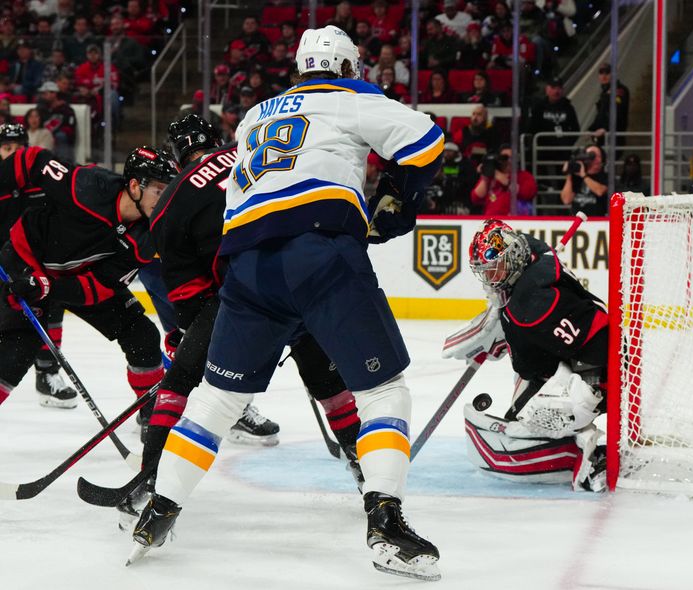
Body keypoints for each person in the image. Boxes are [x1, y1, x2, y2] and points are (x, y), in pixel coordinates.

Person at [130, 26, 443, 581]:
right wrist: (400, 197)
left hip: (247, 264)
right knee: (382, 388)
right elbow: (426, 142)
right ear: (348, 67)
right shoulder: (353, 97)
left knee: (218, 398)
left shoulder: (255, 115)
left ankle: (159, 510)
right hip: (319, 250)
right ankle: (385, 523)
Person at [0, 143, 176, 413]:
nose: (163, 200)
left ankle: (153, 414)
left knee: (142, 335)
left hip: (72, 276)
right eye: (158, 190)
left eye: (168, 192)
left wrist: (50, 288)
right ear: (134, 186)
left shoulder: (149, 236)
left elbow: (99, 287)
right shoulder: (89, 187)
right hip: (26, 260)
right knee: (16, 352)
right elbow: (30, 159)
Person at [444, 219, 607, 490]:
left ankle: (587, 457)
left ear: (512, 258)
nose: (490, 279)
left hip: (600, 369)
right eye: (486, 271)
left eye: (494, 270)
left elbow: (529, 366)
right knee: (521, 413)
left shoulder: (528, 307)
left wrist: (508, 329)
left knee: (543, 419)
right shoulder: (534, 252)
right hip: (588, 346)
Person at [0, 123, 77, 406]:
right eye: (6, 148)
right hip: (2, 264)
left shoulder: (40, 180)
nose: (12, 154)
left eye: (18, 148)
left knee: (50, 308)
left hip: (33, 264)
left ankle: (47, 374)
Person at [526, 76, 580, 180]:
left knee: (563, 177)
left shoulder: (568, 107)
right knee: (541, 176)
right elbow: (532, 128)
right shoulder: (539, 107)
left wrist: (567, 143)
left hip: (562, 149)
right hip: (542, 148)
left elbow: (575, 128)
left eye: (559, 88)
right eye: (553, 87)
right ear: (547, 89)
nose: (556, 91)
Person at [471, 143, 537, 215]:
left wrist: (505, 181)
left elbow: (528, 193)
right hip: (491, 222)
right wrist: (485, 177)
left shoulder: (524, 176)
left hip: (515, 221)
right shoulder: (491, 176)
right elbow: (476, 198)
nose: (509, 160)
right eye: (505, 157)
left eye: (512, 158)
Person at [560, 144, 608, 215]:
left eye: (598, 156)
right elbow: (566, 200)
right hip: (577, 219)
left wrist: (584, 175)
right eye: (592, 156)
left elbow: (599, 191)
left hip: (597, 220)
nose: (595, 159)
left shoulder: (605, 176)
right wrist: (569, 174)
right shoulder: (577, 177)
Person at [587, 62, 629, 144]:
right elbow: (601, 114)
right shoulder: (605, 92)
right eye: (601, 73)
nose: (604, 76)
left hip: (613, 138)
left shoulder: (619, 90)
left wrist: (606, 129)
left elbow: (618, 113)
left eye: (607, 73)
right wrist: (591, 129)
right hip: (603, 137)